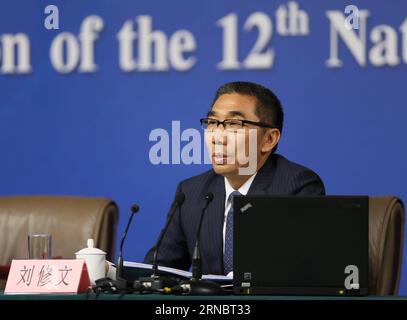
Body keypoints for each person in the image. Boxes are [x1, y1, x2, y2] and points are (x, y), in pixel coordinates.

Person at [144, 81, 325, 275]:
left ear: (269, 139)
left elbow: (304, 273)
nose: (217, 137)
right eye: (212, 123)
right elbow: (158, 271)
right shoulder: (191, 192)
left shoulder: (296, 187)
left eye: (234, 124)